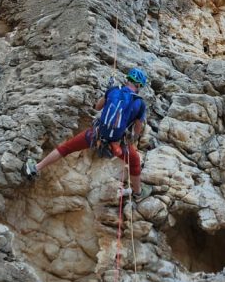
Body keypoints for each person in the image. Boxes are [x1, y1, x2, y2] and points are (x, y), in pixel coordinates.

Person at [23, 68, 153, 201]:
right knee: (135, 161)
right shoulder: (140, 103)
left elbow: (97, 107)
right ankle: (138, 193)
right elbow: (137, 130)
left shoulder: (113, 90)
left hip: (96, 135)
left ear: (127, 80)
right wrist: (132, 141)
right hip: (117, 143)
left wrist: (107, 93)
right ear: (139, 86)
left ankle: (36, 167)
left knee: (66, 148)